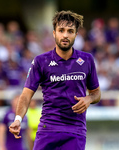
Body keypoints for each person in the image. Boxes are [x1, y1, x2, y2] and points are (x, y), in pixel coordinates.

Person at [9, 10, 101, 150]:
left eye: (70, 31)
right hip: (48, 129)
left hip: (75, 131)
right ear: (54, 33)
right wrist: (18, 119)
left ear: (76, 35)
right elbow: (26, 94)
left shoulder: (87, 60)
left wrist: (88, 99)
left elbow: (96, 93)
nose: (65, 35)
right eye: (61, 30)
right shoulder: (41, 61)